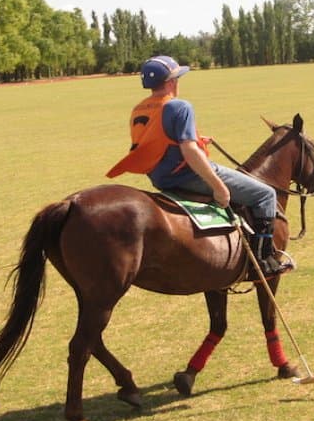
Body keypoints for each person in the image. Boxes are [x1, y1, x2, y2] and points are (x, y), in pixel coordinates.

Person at [107, 55, 290, 278]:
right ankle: (263, 260)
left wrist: (196, 138)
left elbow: (156, 139)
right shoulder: (179, 106)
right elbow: (189, 152)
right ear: (171, 81)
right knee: (266, 195)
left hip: (159, 178)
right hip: (187, 174)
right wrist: (218, 186)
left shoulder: (139, 109)